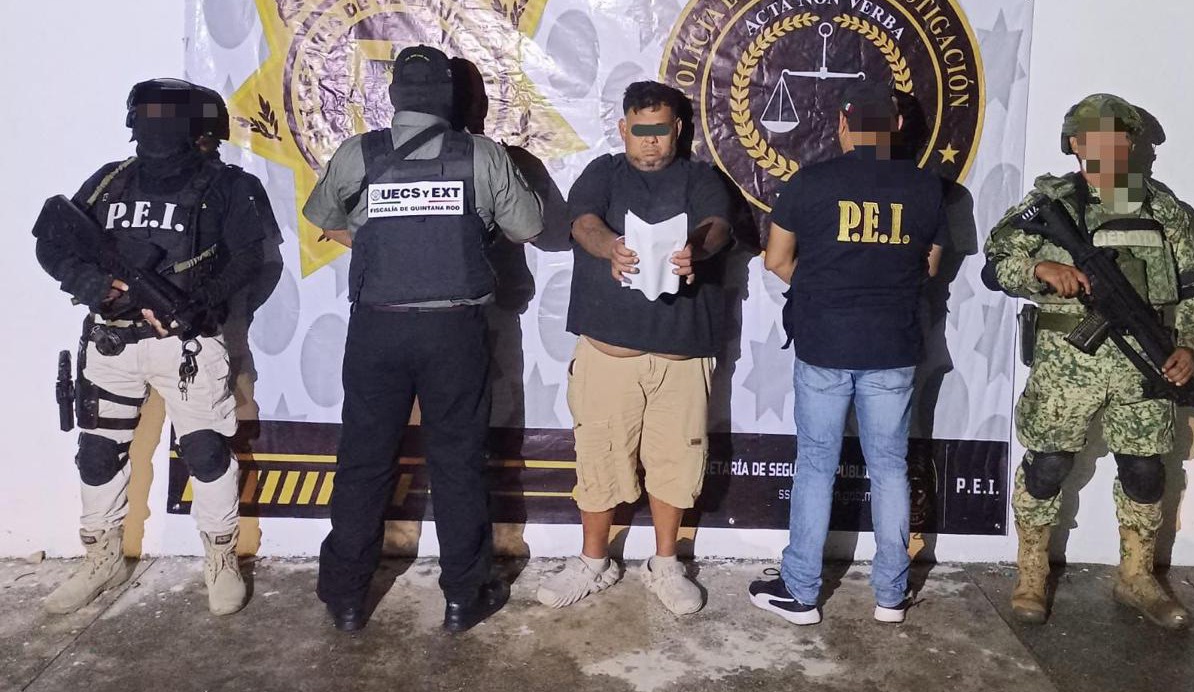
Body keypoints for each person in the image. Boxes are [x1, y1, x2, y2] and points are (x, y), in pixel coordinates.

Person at [304, 45, 543, 633]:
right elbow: (529, 226)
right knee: (458, 464)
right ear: (450, 98)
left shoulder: (359, 152)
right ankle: (464, 597)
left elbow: (322, 216)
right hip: (453, 331)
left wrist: (374, 234)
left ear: (395, 96)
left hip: (378, 327)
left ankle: (346, 599)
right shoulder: (480, 154)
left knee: (363, 462)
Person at [32, 78, 270, 616]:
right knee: (97, 452)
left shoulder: (228, 185)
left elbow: (248, 260)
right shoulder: (109, 180)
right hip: (111, 342)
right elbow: (53, 239)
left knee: (207, 452)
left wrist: (202, 302)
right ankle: (102, 557)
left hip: (187, 345)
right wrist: (87, 282)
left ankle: (221, 557)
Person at [983, 93, 1194, 629]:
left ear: (1130, 144)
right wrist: (1040, 270)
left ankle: (1137, 575)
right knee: (1048, 464)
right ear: (1074, 144)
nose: (1108, 146)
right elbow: (995, 262)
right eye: (1095, 137)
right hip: (1067, 363)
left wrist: (1190, 345)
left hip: (1145, 363)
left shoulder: (1160, 207)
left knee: (1145, 470)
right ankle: (1031, 571)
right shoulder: (1052, 203)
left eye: (1118, 137)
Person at [747, 80, 946, 625]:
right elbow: (928, 268)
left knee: (816, 466)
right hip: (893, 345)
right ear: (896, 126)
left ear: (843, 124)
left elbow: (775, 260)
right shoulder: (927, 188)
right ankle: (891, 595)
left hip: (825, 343)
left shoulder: (810, 182)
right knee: (890, 469)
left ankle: (801, 591)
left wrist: (823, 288)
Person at [536, 80, 732, 615]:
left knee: (677, 464)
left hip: (681, 356)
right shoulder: (602, 173)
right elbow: (582, 223)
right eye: (640, 130)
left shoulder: (701, 178)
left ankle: (665, 564)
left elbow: (717, 225)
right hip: (608, 355)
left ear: (677, 130)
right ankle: (593, 562)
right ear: (624, 129)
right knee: (598, 459)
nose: (650, 141)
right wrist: (610, 249)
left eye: (660, 130)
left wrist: (697, 248)